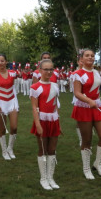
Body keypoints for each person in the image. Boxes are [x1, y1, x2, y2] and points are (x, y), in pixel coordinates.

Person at [72, 48, 101, 180]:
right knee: (87, 140)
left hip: (97, 106)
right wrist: (89, 101)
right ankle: (86, 168)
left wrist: (95, 101)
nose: (90, 57)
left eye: (92, 56)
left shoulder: (96, 72)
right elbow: (77, 93)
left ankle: (98, 164)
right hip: (84, 108)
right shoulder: (78, 73)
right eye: (87, 56)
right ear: (81, 59)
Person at [30, 58, 61, 190]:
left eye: (51, 69)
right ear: (40, 70)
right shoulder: (35, 87)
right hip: (42, 120)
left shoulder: (55, 85)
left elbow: (56, 104)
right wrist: (37, 124)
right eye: (46, 69)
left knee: (52, 149)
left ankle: (50, 177)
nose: (49, 72)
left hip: (53, 120)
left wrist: (58, 121)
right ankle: (43, 178)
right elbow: (34, 107)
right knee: (43, 149)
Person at [0, 53, 19, 160]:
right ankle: (4, 150)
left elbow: (13, 88)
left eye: (2, 61)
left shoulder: (12, 73)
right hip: (0, 102)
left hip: (12, 101)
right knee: (2, 128)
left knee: (14, 127)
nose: (0, 63)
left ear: (6, 62)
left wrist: (15, 102)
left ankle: (10, 148)